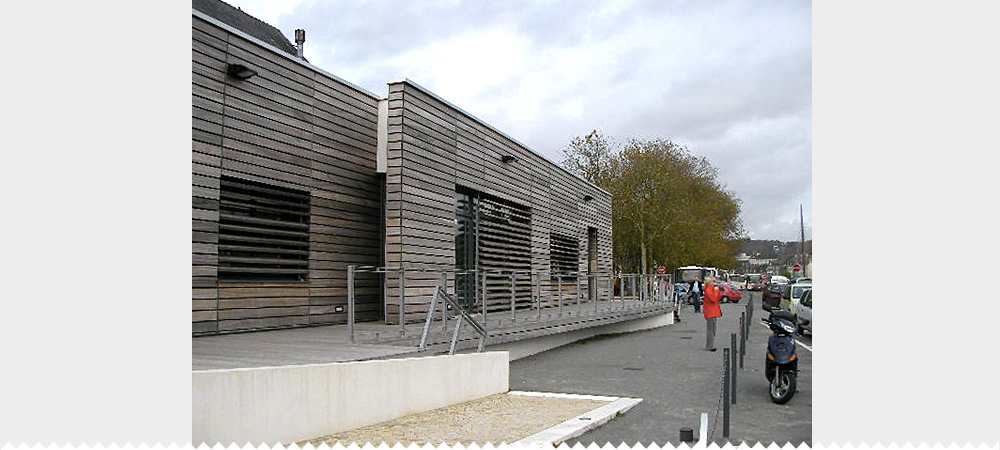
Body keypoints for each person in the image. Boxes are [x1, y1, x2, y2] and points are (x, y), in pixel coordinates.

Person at [703, 276, 723, 351]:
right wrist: (716, 291)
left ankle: (710, 344)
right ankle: (709, 346)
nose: (715, 283)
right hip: (710, 311)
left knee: (713, 329)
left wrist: (717, 291)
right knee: (711, 330)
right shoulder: (708, 290)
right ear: (709, 282)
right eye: (713, 281)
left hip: (713, 311)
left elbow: (718, 298)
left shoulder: (711, 289)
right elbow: (713, 300)